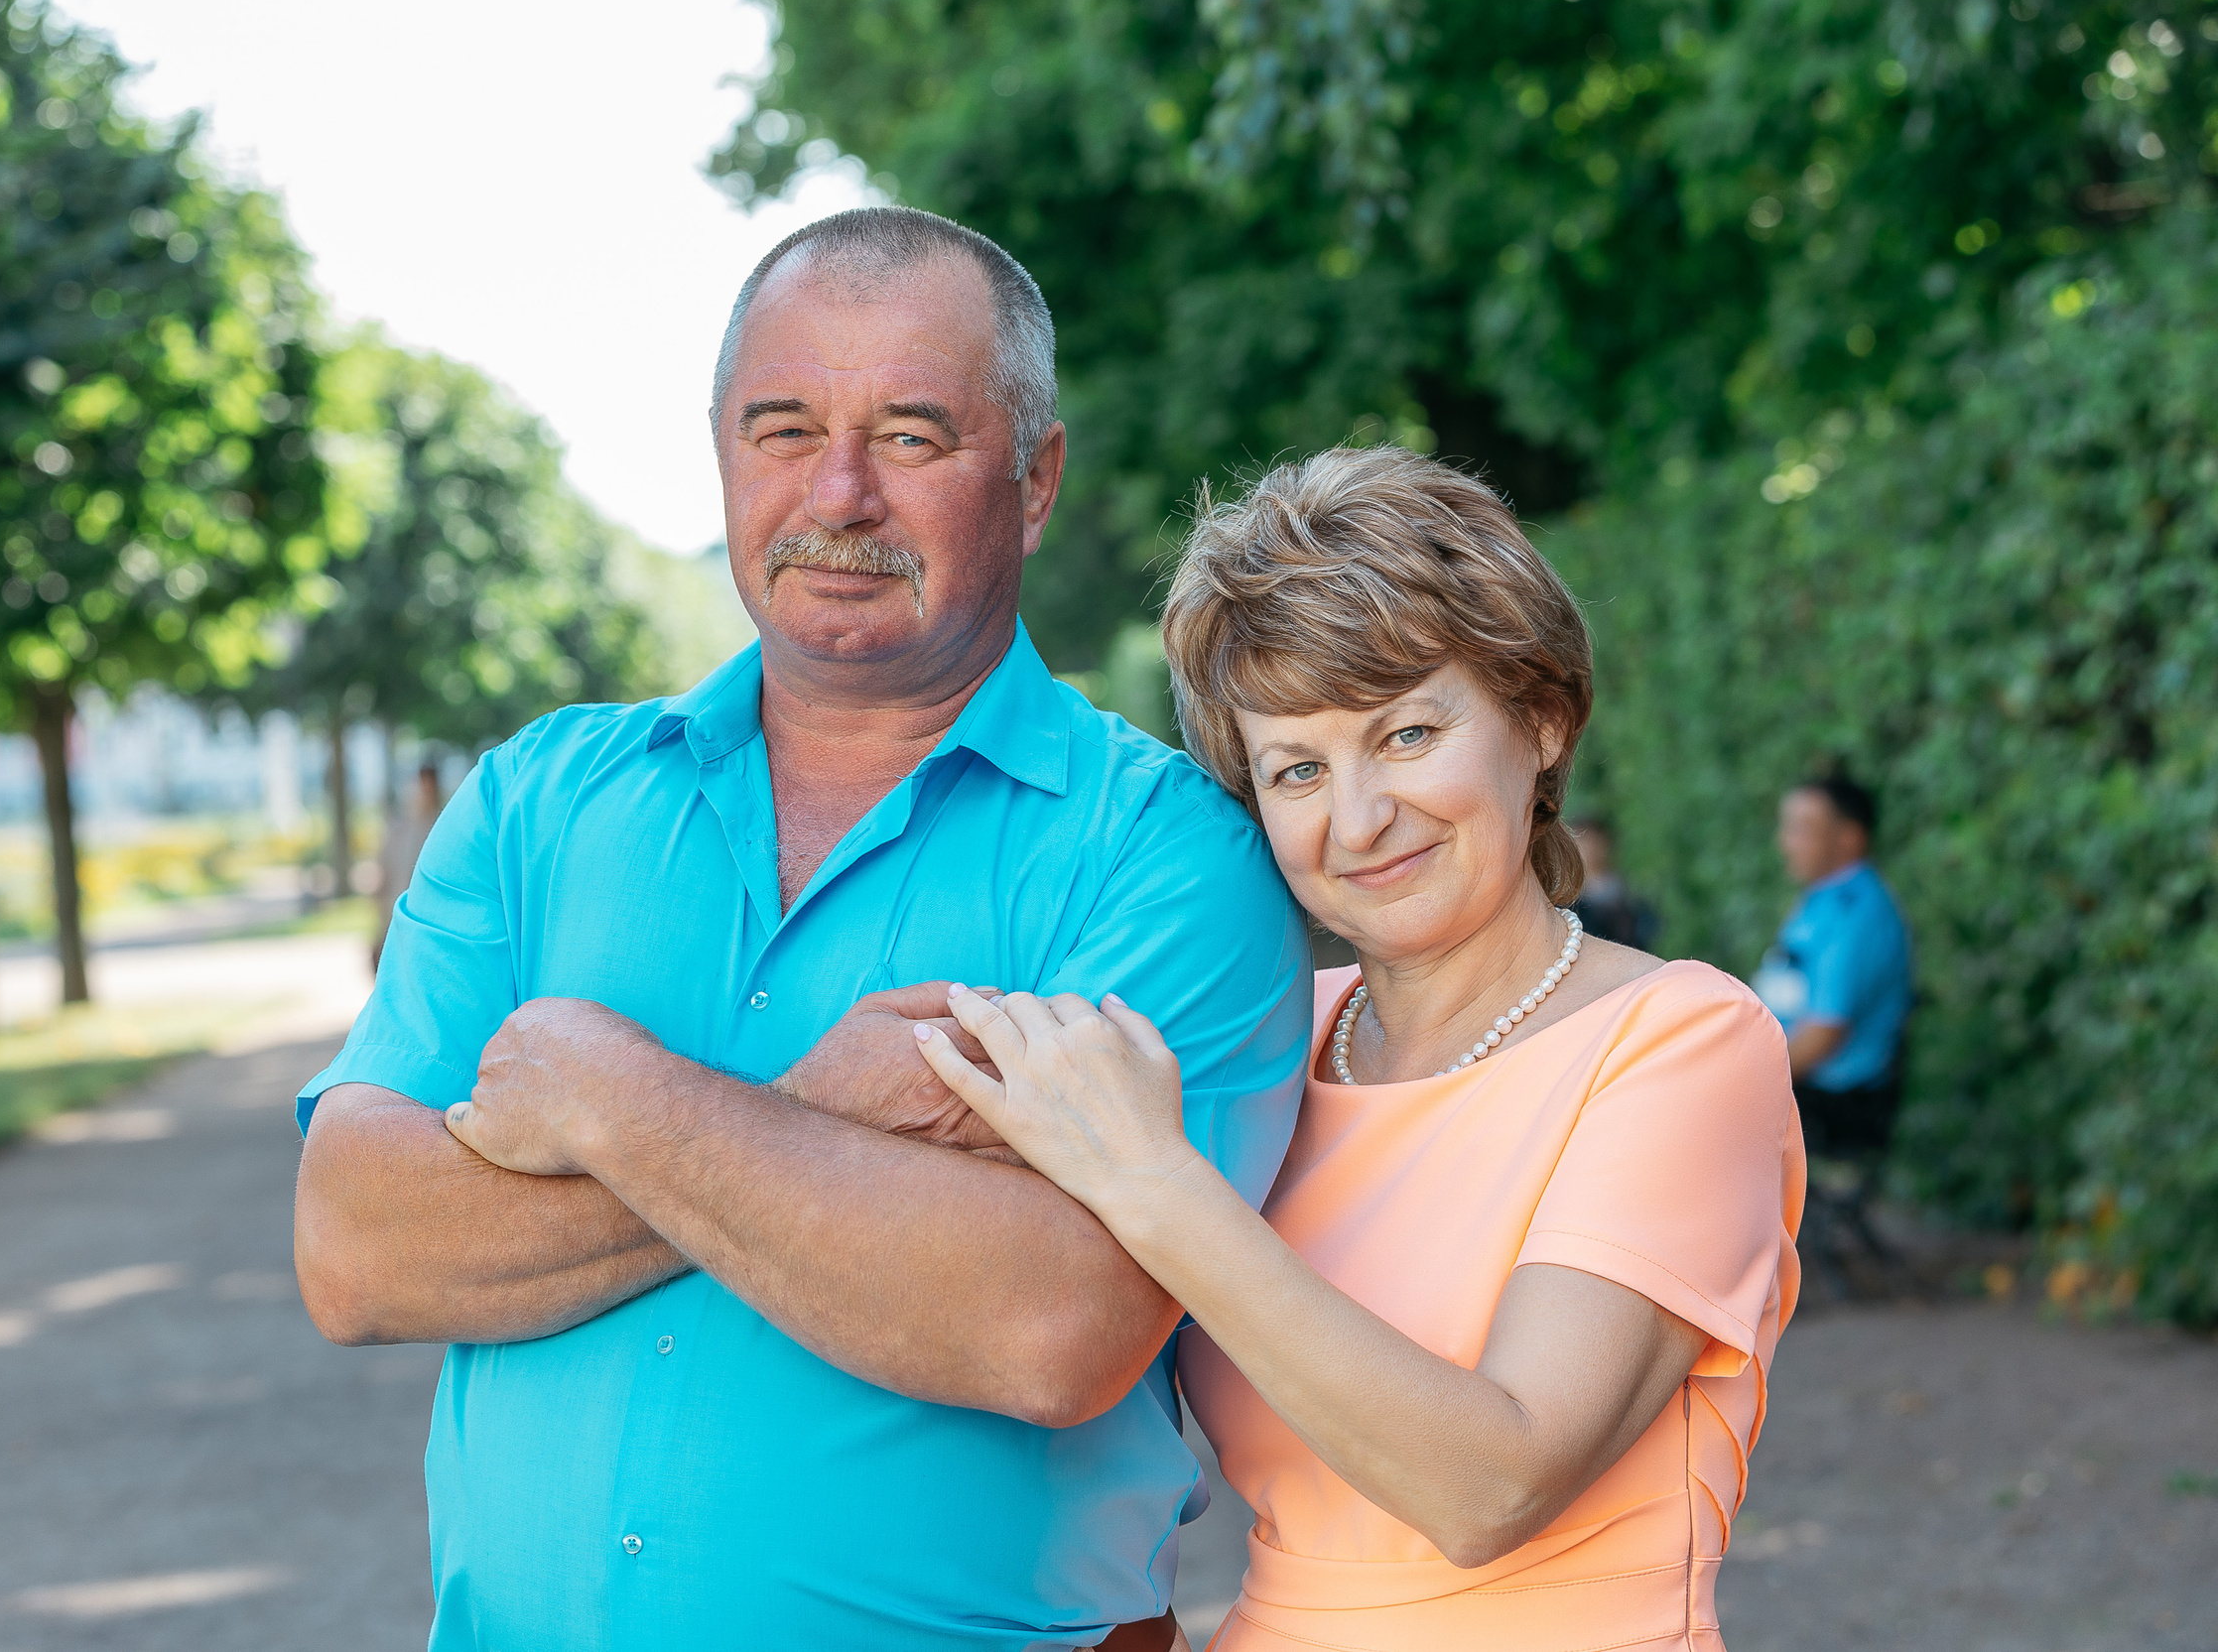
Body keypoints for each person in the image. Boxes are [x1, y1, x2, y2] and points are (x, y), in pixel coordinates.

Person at [290, 207, 1311, 1651]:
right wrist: (820, 1111)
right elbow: (357, 1247)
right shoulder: (538, 799)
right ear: (720, 451)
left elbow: (1055, 1322)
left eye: (911, 435)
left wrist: (610, 1093)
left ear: (1035, 477)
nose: (838, 493)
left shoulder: (1164, 857)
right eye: (784, 428)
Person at [912, 445, 1803, 1652]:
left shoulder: (1681, 1044)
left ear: (1539, 719)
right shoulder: (1278, 1042)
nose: (1359, 818)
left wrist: (1156, 1182)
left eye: (1405, 734)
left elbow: (1492, 1486)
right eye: (1296, 768)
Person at [1756, 774, 1912, 1156]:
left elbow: (1825, 1032)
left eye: (1802, 830)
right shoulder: (1825, 898)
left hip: (1835, 1099)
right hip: (1804, 1084)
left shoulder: (1856, 914)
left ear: (1849, 838)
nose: (1785, 843)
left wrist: (1748, 1081)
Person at [370, 755, 444, 971]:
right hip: (397, 922)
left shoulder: (443, 827)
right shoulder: (398, 829)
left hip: (429, 926)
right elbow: (384, 879)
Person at [1569, 814, 1657, 950]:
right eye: (1583, 841)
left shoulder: (1630, 892)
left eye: (1595, 841)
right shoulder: (1567, 899)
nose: (1590, 848)